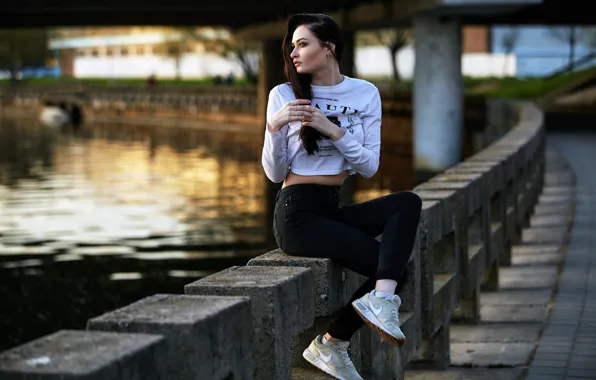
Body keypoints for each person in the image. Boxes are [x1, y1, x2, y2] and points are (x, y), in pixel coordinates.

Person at [261, 13, 422, 380]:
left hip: (330, 208)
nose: (294, 53)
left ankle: (333, 341)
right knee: (394, 270)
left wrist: (332, 130)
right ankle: (339, 339)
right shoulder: (283, 95)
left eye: (303, 44)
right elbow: (273, 174)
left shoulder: (364, 93)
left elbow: (368, 167)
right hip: (296, 215)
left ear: (329, 47)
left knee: (406, 208)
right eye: (292, 46)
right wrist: (274, 127)